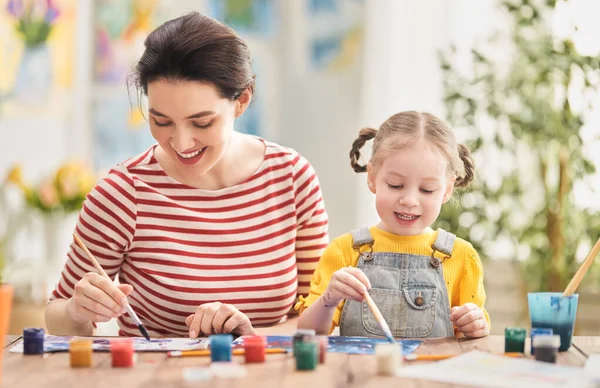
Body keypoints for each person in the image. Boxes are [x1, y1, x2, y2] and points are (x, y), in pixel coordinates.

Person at [45, 12, 329, 338]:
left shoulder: (291, 178)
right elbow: (57, 319)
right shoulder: (123, 194)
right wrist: (75, 310)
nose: (180, 143)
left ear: (242, 101)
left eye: (202, 122)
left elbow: (318, 318)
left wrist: (250, 336)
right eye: (161, 121)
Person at [296, 111, 490, 339]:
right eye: (395, 185)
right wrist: (329, 299)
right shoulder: (344, 251)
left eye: (427, 190)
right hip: (360, 374)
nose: (409, 200)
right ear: (372, 177)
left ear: (447, 189)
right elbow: (307, 333)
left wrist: (476, 324)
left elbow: (474, 337)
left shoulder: (462, 257)